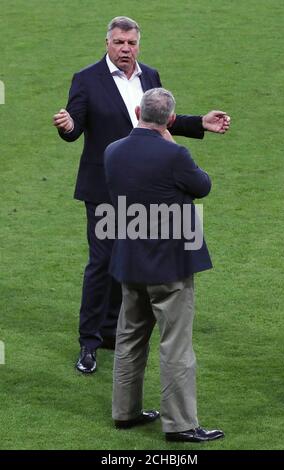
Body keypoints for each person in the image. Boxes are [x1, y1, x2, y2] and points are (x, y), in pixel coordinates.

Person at [53, 16, 230, 374]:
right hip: (104, 188)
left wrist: (200, 123)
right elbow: (75, 123)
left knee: (126, 261)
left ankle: (110, 332)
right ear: (107, 42)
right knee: (102, 263)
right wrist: (69, 126)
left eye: (131, 43)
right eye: (119, 42)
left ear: (138, 45)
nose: (125, 49)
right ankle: (88, 343)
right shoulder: (87, 80)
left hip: (144, 190)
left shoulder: (150, 75)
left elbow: (160, 118)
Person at [104, 88, 224, 443]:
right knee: (175, 345)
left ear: (139, 110)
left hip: (129, 262)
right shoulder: (175, 155)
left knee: (129, 339)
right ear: (170, 119)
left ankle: (125, 413)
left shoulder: (112, 151)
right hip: (170, 265)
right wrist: (172, 145)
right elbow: (202, 185)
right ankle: (181, 424)